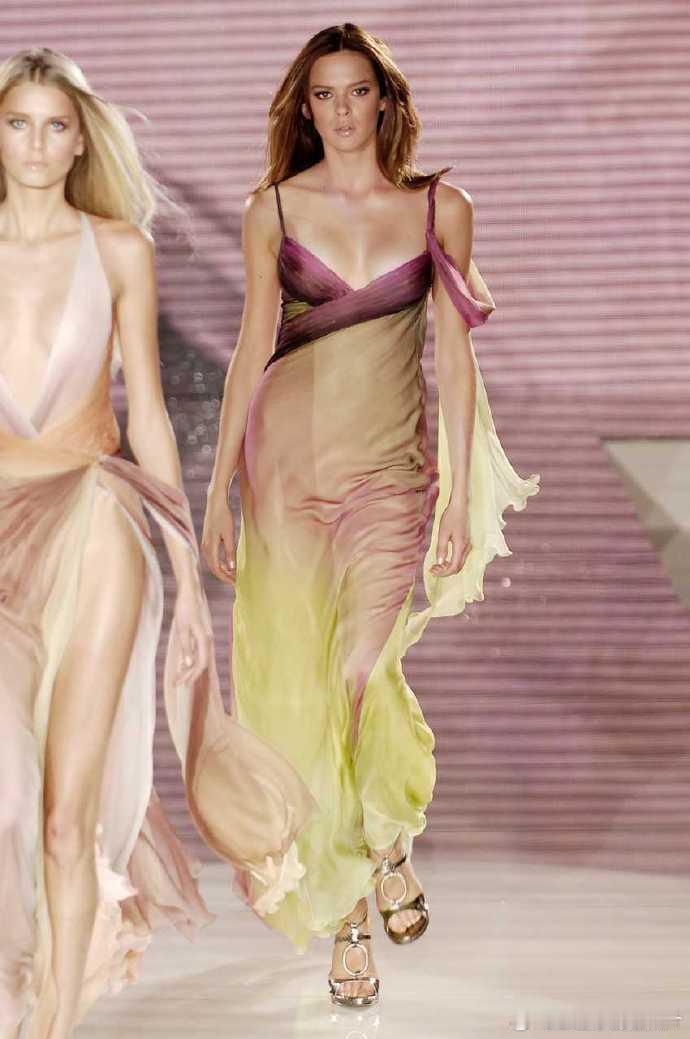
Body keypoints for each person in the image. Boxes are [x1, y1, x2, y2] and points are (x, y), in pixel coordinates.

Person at [202, 23, 540, 1008]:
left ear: (385, 101)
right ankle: (354, 910)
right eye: (325, 94)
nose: (342, 110)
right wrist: (219, 486)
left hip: (392, 470)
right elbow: (250, 347)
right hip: (285, 475)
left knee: (360, 668)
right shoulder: (272, 209)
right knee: (305, 690)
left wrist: (459, 490)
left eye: (358, 91)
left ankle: (386, 835)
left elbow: (456, 357)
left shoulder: (441, 207)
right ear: (305, 108)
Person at [0, 48, 314, 1039]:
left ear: (80, 141)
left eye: (55, 125)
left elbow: (150, 416)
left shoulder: (118, 250)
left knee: (66, 812)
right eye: (17, 123)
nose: (35, 144)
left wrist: (181, 573)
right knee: (8, 799)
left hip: (96, 520)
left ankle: (51, 1025)